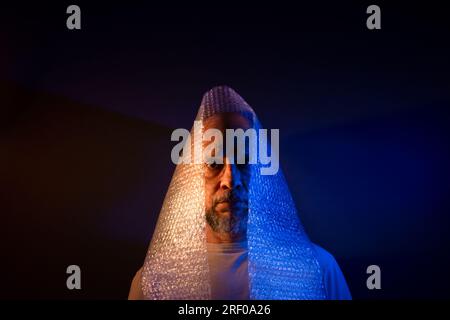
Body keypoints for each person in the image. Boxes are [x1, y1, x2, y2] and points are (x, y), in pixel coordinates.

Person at [128, 86, 351, 300]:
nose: (229, 180)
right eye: (214, 164)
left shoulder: (317, 271)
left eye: (243, 163)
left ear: (263, 176)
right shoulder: (154, 283)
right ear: (191, 178)